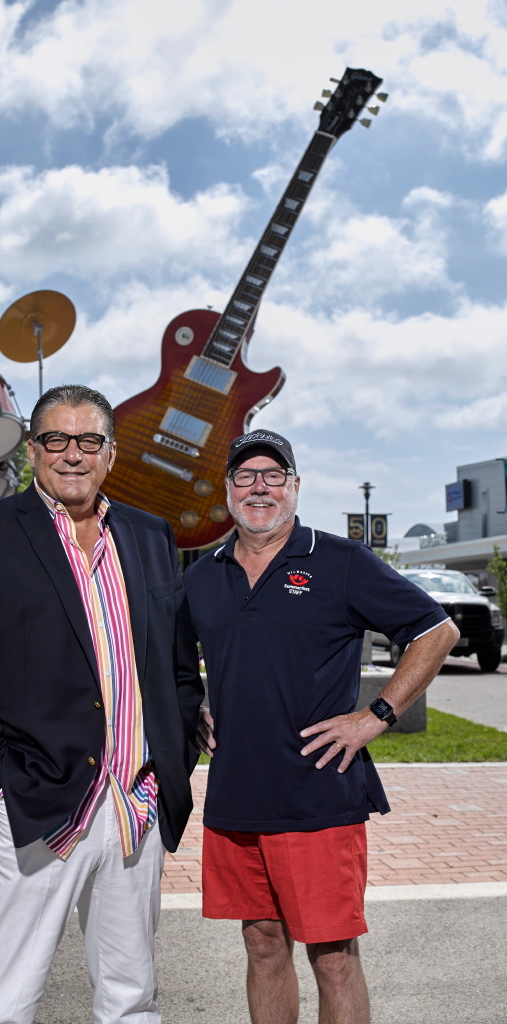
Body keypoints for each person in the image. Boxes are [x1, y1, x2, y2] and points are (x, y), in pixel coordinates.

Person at [0, 383, 204, 1024]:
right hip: (34, 806)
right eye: (56, 439)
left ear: (110, 453)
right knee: (4, 1000)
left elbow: (178, 669)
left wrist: (171, 763)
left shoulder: (150, 535)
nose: (72, 454)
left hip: (134, 808)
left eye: (88, 441)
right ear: (32, 449)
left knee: (132, 999)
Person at [183, 429, 460, 1024]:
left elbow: (436, 632)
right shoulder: (203, 575)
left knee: (333, 957)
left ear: (295, 486)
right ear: (228, 490)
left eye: (273, 475)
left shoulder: (339, 561)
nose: (259, 488)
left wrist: (376, 715)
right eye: (246, 476)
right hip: (235, 795)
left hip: (318, 793)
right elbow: (176, 660)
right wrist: (191, 709)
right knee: (261, 944)